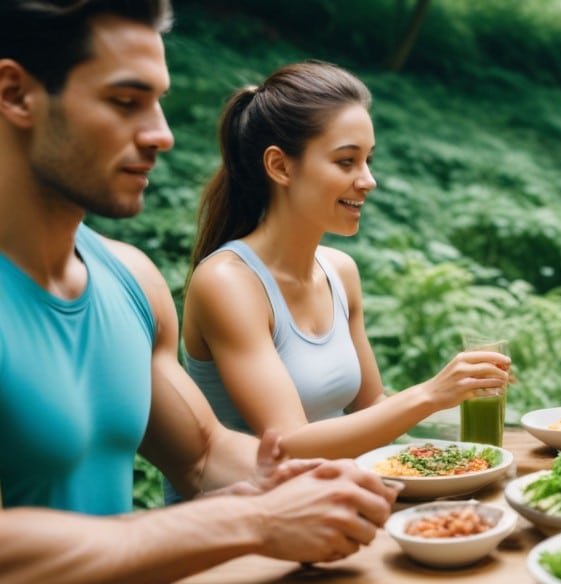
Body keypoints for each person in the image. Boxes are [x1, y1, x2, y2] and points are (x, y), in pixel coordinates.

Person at [0, 0, 472, 584]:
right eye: (126, 102)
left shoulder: (130, 280)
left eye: (158, 101)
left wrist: (350, 492)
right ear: (17, 93)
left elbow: (207, 456)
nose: (161, 133)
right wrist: (250, 523)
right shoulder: (223, 280)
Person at [163, 60, 509, 501]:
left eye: (368, 160)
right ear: (280, 167)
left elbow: (372, 412)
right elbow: (287, 445)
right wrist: (429, 395)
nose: (368, 180)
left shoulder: (339, 271)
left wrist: (450, 406)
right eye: (347, 161)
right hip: (235, 533)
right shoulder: (229, 283)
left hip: (323, 505)